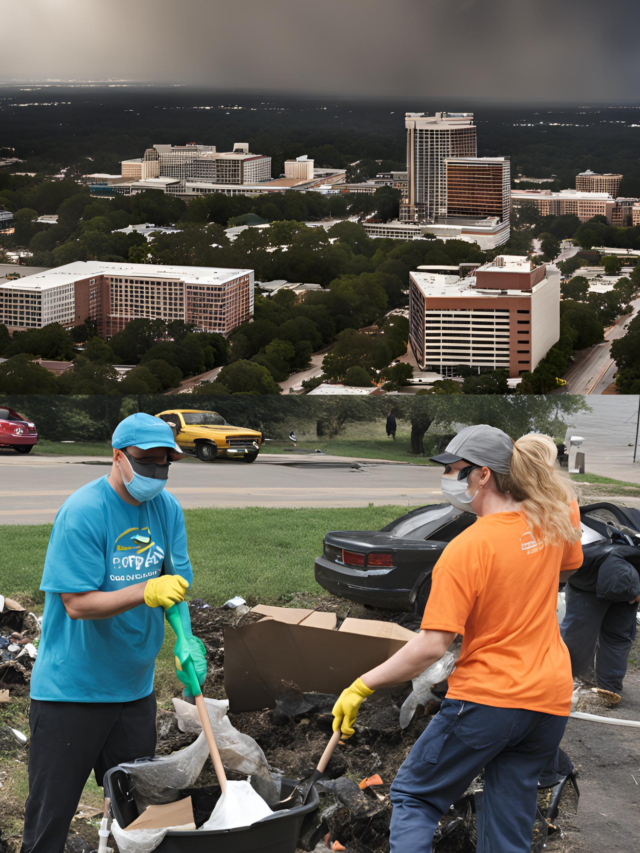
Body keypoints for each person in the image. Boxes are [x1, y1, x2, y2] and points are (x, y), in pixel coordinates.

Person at [332, 424, 583, 853]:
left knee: (416, 795)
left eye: (454, 468)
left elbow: (431, 645)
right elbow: (570, 566)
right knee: (509, 813)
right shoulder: (547, 524)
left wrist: (362, 685)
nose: (448, 476)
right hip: (549, 701)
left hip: (490, 700)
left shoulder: (467, 549)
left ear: (483, 475)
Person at [22, 413, 207, 853]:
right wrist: (144, 590)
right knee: (51, 816)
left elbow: (174, 587)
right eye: (147, 461)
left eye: (166, 462)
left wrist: (185, 637)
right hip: (72, 692)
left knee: (141, 816)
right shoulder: (84, 512)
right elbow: (77, 603)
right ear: (118, 457)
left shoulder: (167, 509)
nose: (157, 472)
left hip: (134, 690)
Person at [561, 548, 640, 703]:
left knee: (616, 636)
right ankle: (563, 681)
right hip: (589, 584)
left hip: (618, 575)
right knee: (579, 636)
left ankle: (608, 690)